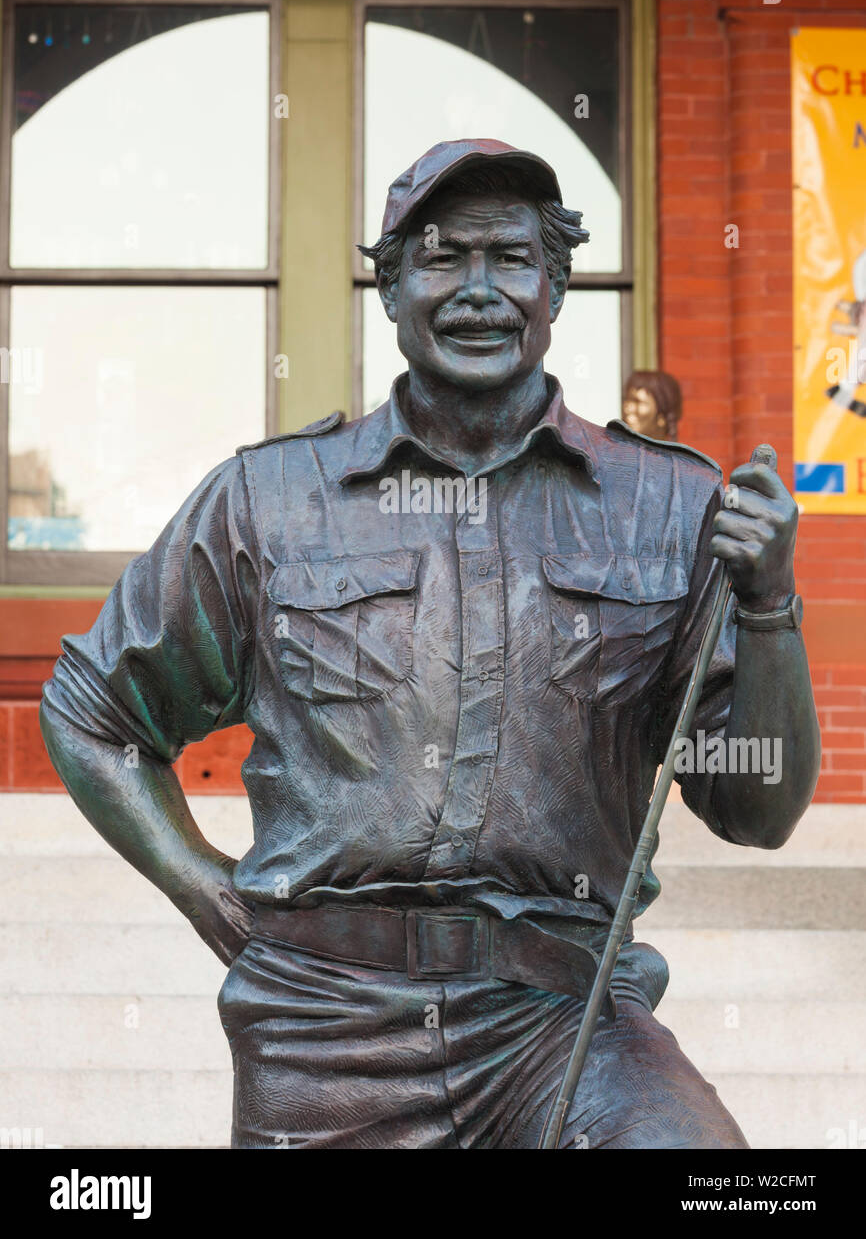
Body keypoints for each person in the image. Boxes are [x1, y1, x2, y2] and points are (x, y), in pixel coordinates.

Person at [40, 138, 820, 1149]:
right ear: (390, 287)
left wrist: (765, 607)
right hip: (325, 1027)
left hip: (564, 1021)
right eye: (443, 258)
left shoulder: (667, 506)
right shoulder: (269, 500)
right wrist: (198, 879)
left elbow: (758, 811)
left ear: (555, 288)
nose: (478, 290)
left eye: (509, 258)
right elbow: (91, 711)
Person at [622, 369, 683, 441]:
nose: (627, 409)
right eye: (626, 399)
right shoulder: (614, 450)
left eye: (638, 402)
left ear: (662, 416)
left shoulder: (676, 452)